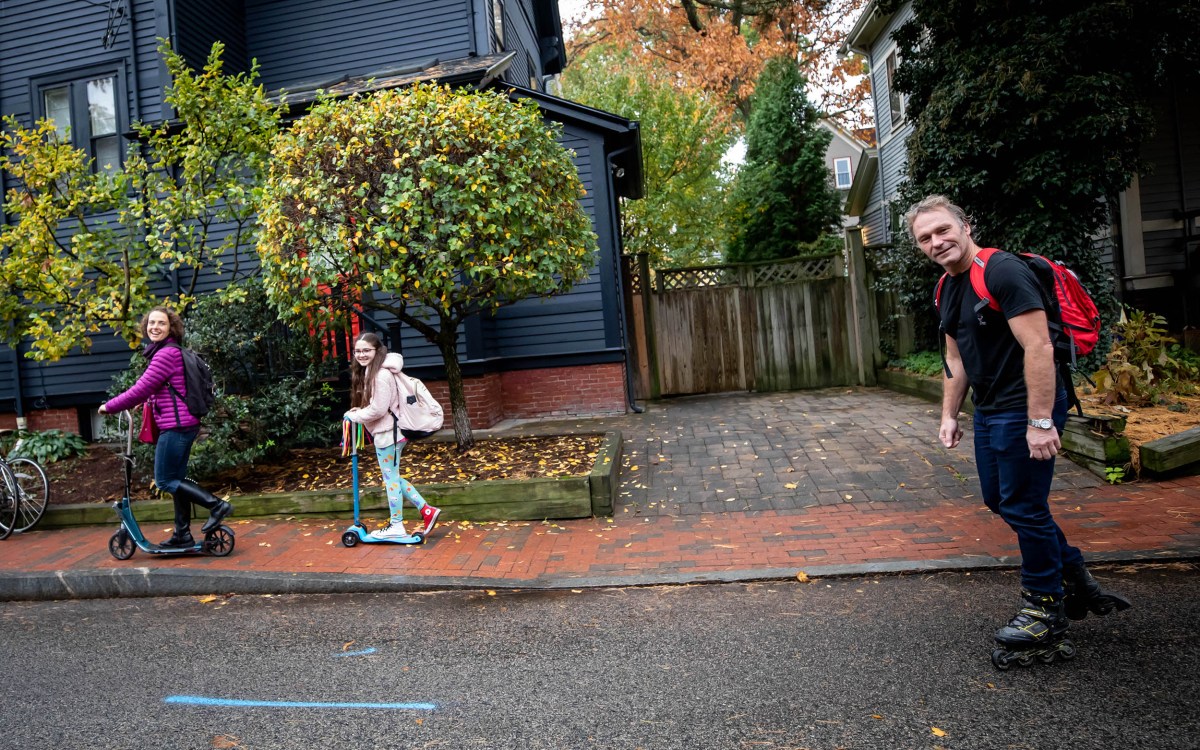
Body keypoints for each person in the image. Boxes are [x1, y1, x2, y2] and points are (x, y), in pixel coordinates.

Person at [905, 195, 1129, 652]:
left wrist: (1042, 421)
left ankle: (1043, 609)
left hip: (1026, 407)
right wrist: (949, 414)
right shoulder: (946, 288)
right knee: (999, 499)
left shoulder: (1002, 272)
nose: (936, 241)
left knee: (1024, 505)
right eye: (925, 238)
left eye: (943, 230)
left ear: (965, 226)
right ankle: (1074, 574)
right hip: (989, 410)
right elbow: (954, 356)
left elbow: (1039, 347)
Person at [98, 306, 232, 547]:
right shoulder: (167, 351)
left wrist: (110, 406)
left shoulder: (165, 354)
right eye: (151, 323)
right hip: (183, 424)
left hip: (176, 428)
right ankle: (183, 535)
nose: (155, 327)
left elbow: (141, 387)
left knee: (164, 481)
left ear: (171, 328)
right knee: (177, 479)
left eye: (161, 323)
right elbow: (165, 387)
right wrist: (147, 402)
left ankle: (217, 505)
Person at [343, 332, 441, 541]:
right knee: (392, 477)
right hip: (390, 432)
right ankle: (426, 510)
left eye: (366, 350)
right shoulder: (376, 370)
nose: (361, 354)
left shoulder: (380, 375)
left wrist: (354, 416)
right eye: (358, 351)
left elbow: (379, 409)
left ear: (377, 351)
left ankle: (397, 524)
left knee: (391, 480)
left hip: (389, 434)